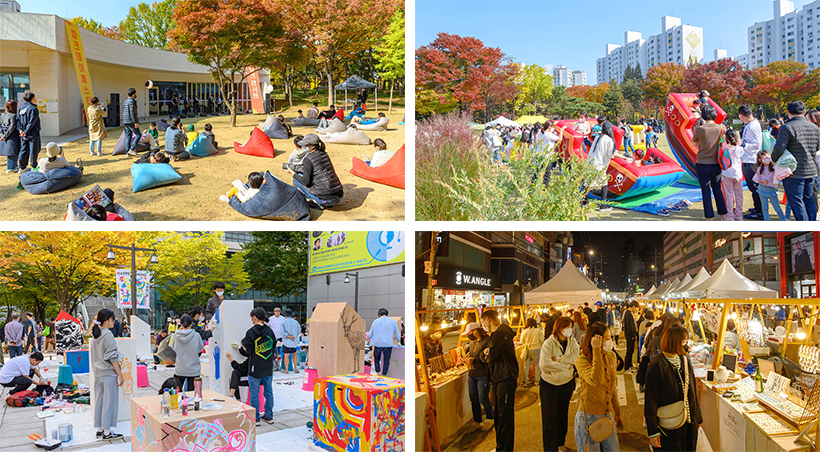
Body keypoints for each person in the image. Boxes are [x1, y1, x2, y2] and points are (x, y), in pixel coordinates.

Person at [645, 324, 702, 452]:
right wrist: (653, 431)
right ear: (675, 342)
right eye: (683, 341)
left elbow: (692, 391)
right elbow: (650, 400)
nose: (685, 344)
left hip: (688, 420)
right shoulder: (656, 365)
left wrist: (698, 416)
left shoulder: (685, 360)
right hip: (668, 423)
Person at [575, 322, 622, 451]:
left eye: (610, 337)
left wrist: (617, 412)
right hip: (588, 418)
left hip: (607, 414)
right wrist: (596, 350)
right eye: (607, 338)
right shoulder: (581, 360)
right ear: (595, 340)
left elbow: (611, 387)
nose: (610, 342)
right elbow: (595, 380)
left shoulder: (610, 356)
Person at [772, 101, 820, 221]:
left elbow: (779, 148)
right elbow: (818, 147)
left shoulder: (786, 127)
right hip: (811, 169)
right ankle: (812, 223)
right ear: (804, 112)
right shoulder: (815, 127)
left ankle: (803, 225)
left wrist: (773, 160)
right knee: (809, 199)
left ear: (788, 112)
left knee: (796, 201)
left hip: (794, 171)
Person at [479, 309, 518, 452]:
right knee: (499, 415)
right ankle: (500, 446)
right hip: (499, 377)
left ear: (487, 319)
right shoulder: (496, 335)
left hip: (505, 378)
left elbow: (489, 356)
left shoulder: (500, 335)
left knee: (504, 416)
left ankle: (505, 448)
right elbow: (485, 355)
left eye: (482, 321)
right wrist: (486, 354)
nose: (482, 324)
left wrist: (486, 354)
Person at [540, 316, 579, 452]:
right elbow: (545, 364)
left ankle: (560, 443)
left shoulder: (572, 341)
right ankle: (550, 448)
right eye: (566, 327)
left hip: (566, 383)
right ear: (558, 328)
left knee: (563, 415)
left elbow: (575, 358)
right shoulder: (548, 343)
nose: (569, 330)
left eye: (570, 327)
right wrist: (565, 365)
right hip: (549, 385)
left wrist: (559, 359)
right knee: (550, 418)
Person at [89, 309, 125, 440]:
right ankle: (107, 432)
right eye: (113, 319)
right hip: (108, 373)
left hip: (98, 373)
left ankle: (100, 429)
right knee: (109, 402)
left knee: (100, 401)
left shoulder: (96, 334)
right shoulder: (108, 335)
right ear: (107, 320)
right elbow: (112, 357)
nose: (114, 321)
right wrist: (120, 374)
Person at [287, 134, 344, 209]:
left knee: (297, 177)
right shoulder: (324, 154)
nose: (304, 146)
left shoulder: (308, 159)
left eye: (306, 145)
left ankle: (317, 202)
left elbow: (305, 182)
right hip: (339, 196)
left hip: (326, 200)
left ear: (312, 146)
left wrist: (293, 173)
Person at [240, 307, 275, 426]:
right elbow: (273, 345)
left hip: (255, 368)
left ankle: (256, 419)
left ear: (254, 317)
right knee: (268, 392)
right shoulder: (270, 331)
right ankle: (269, 416)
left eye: (251, 317)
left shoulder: (250, 332)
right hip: (268, 367)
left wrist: (242, 348)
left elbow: (248, 352)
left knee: (254, 394)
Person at [692, 104, 728, 220]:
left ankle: (710, 218)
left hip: (702, 163)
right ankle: (724, 216)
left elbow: (694, 143)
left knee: (706, 191)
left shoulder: (700, 129)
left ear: (703, 115)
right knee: (717, 190)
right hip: (716, 163)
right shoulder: (720, 128)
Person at [460, 322, 494, 432]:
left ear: (476, 330)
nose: (469, 335)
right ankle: (477, 421)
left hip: (483, 373)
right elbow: (469, 354)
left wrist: (475, 360)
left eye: (470, 332)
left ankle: (490, 418)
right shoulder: (471, 342)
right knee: (473, 398)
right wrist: (465, 359)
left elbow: (488, 358)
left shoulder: (487, 341)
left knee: (483, 397)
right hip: (472, 373)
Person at [587, 121, 623, 210]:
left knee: (587, 182)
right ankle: (603, 205)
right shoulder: (609, 139)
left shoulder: (597, 137)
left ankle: (582, 202)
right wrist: (626, 158)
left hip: (590, 162)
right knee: (604, 183)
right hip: (598, 164)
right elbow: (612, 154)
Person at [738, 105, 764, 220]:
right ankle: (758, 208)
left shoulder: (752, 126)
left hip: (751, 160)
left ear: (741, 115)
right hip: (749, 159)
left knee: (754, 187)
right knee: (753, 187)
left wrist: (743, 144)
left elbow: (757, 144)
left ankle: (759, 211)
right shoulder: (752, 124)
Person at [172, 315, 204, 392]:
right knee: (193, 394)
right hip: (194, 369)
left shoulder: (176, 335)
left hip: (180, 368)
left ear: (181, 324)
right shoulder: (196, 335)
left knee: (177, 393)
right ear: (191, 324)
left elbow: (173, 349)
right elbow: (200, 350)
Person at [753, 150, 786, 221]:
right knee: (765, 208)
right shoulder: (759, 169)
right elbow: (755, 179)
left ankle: (783, 220)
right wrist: (762, 181)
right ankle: (767, 222)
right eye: (764, 157)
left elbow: (779, 174)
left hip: (772, 191)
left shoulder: (774, 168)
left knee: (777, 208)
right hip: (762, 190)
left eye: (768, 156)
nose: (767, 158)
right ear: (760, 160)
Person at [368, 308, 400, 376]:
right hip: (388, 344)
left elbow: (371, 332)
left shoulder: (375, 321)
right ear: (387, 314)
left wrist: (368, 338)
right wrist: (397, 339)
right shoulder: (392, 321)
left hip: (377, 343)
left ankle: (378, 372)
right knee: (386, 360)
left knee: (376, 358)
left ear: (379, 315)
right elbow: (397, 332)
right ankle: (384, 374)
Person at [721, 129, 745, 221]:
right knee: (739, 195)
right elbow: (741, 153)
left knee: (729, 195)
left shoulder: (725, 148)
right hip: (737, 174)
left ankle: (730, 215)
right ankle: (738, 215)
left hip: (727, 173)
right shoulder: (739, 149)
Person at [16, 92, 41, 172]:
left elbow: (17, 120)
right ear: (32, 98)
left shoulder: (20, 108)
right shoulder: (34, 109)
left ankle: (22, 167)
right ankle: (33, 166)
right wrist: (26, 131)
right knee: (34, 150)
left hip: (23, 134)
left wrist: (21, 131)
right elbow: (32, 122)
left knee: (24, 149)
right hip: (32, 133)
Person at [520, 318, 545, 387]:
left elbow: (522, 341)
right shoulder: (538, 331)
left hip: (527, 350)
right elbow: (542, 340)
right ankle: (536, 381)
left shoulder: (524, 331)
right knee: (537, 366)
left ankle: (524, 382)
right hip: (536, 349)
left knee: (526, 366)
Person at [1, 100, 20, 174]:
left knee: (10, 151)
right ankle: (11, 168)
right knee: (13, 152)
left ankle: (14, 166)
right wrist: (5, 136)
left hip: (4, 135)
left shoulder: (2, 115)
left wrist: (2, 135)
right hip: (12, 136)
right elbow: (12, 127)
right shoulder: (13, 116)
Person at [281, 308, 301, 374]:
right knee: (294, 354)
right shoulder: (296, 322)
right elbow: (299, 331)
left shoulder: (283, 322)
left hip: (286, 341)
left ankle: (286, 370)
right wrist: (293, 336)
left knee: (286, 355)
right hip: (294, 341)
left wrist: (289, 336)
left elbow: (282, 332)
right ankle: (296, 368)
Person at [122, 88, 140, 157]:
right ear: (133, 94)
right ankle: (131, 149)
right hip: (130, 121)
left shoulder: (125, 101)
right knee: (138, 134)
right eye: (135, 94)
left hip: (125, 121)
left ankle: (127, 152)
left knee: (129, 136)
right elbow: (132, 113)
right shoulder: (132, 101)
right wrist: (135, 122)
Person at [623, 301, 639, 372]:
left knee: (631, 351)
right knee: (629, 351)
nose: (636, 310)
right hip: (630, 336)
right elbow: (629, 326)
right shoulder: (628, 314)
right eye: (636, 308)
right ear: (633, 306)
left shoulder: (629, 313)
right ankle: (626, 367)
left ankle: (629, 364)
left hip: (630, 335)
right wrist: (632, 335)